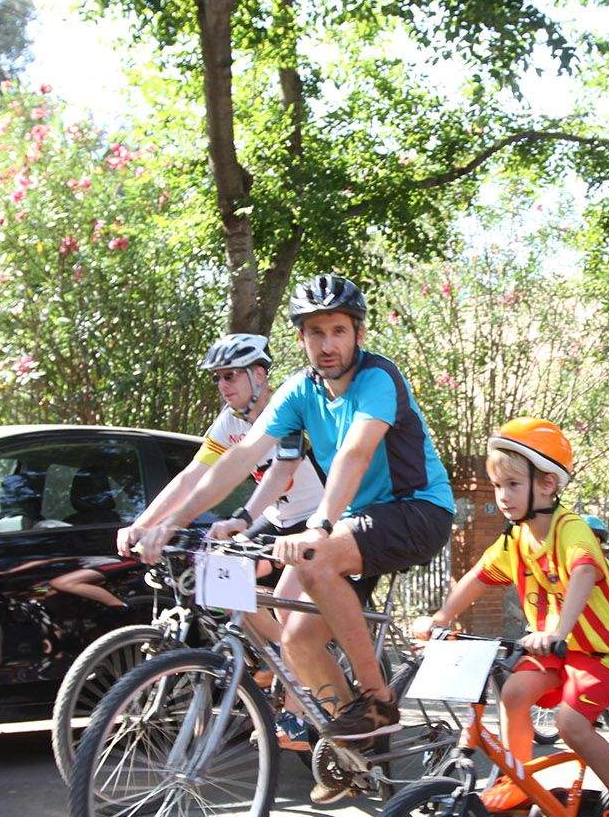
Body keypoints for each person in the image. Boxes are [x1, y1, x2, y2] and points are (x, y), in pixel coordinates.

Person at [134, 275, 455, 782]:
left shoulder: (379, 379)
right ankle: (355, 746)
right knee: (298, 641)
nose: (327, 345)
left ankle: (376, 700)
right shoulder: (300, 390)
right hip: (356, 525)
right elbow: (238, 458)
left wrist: (321, 525)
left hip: (415, 511)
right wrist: (167, 521)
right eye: (314, 333)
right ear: (301, 340)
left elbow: (354, 453)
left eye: (338, 331)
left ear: (358, 334)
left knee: (317, 557)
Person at [413, 418, 609, 817]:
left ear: (546, 485)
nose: (502, 494)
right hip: (555, 653)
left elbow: (583, 571)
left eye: (512, 483)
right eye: (497, 484)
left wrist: (558, 631)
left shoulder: (570, 529)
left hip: (605, 653)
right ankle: (517, 779)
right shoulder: (516, 539)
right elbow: (478, 577)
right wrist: (441, 619)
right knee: (514, 692)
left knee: (569, 723)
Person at [118, 332, 330, 750]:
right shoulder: (230, 423)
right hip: (275, 519)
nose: (223, 385)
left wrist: (240, 518)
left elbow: (282, 474)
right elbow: (193, 476)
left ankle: (297, 711)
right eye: (218, 378)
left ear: (258, 374)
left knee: (289, 613)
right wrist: (143, 524)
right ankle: (275, 657)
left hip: (318, 520)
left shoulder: (287, 410)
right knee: (220, 579)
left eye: (230, 375)